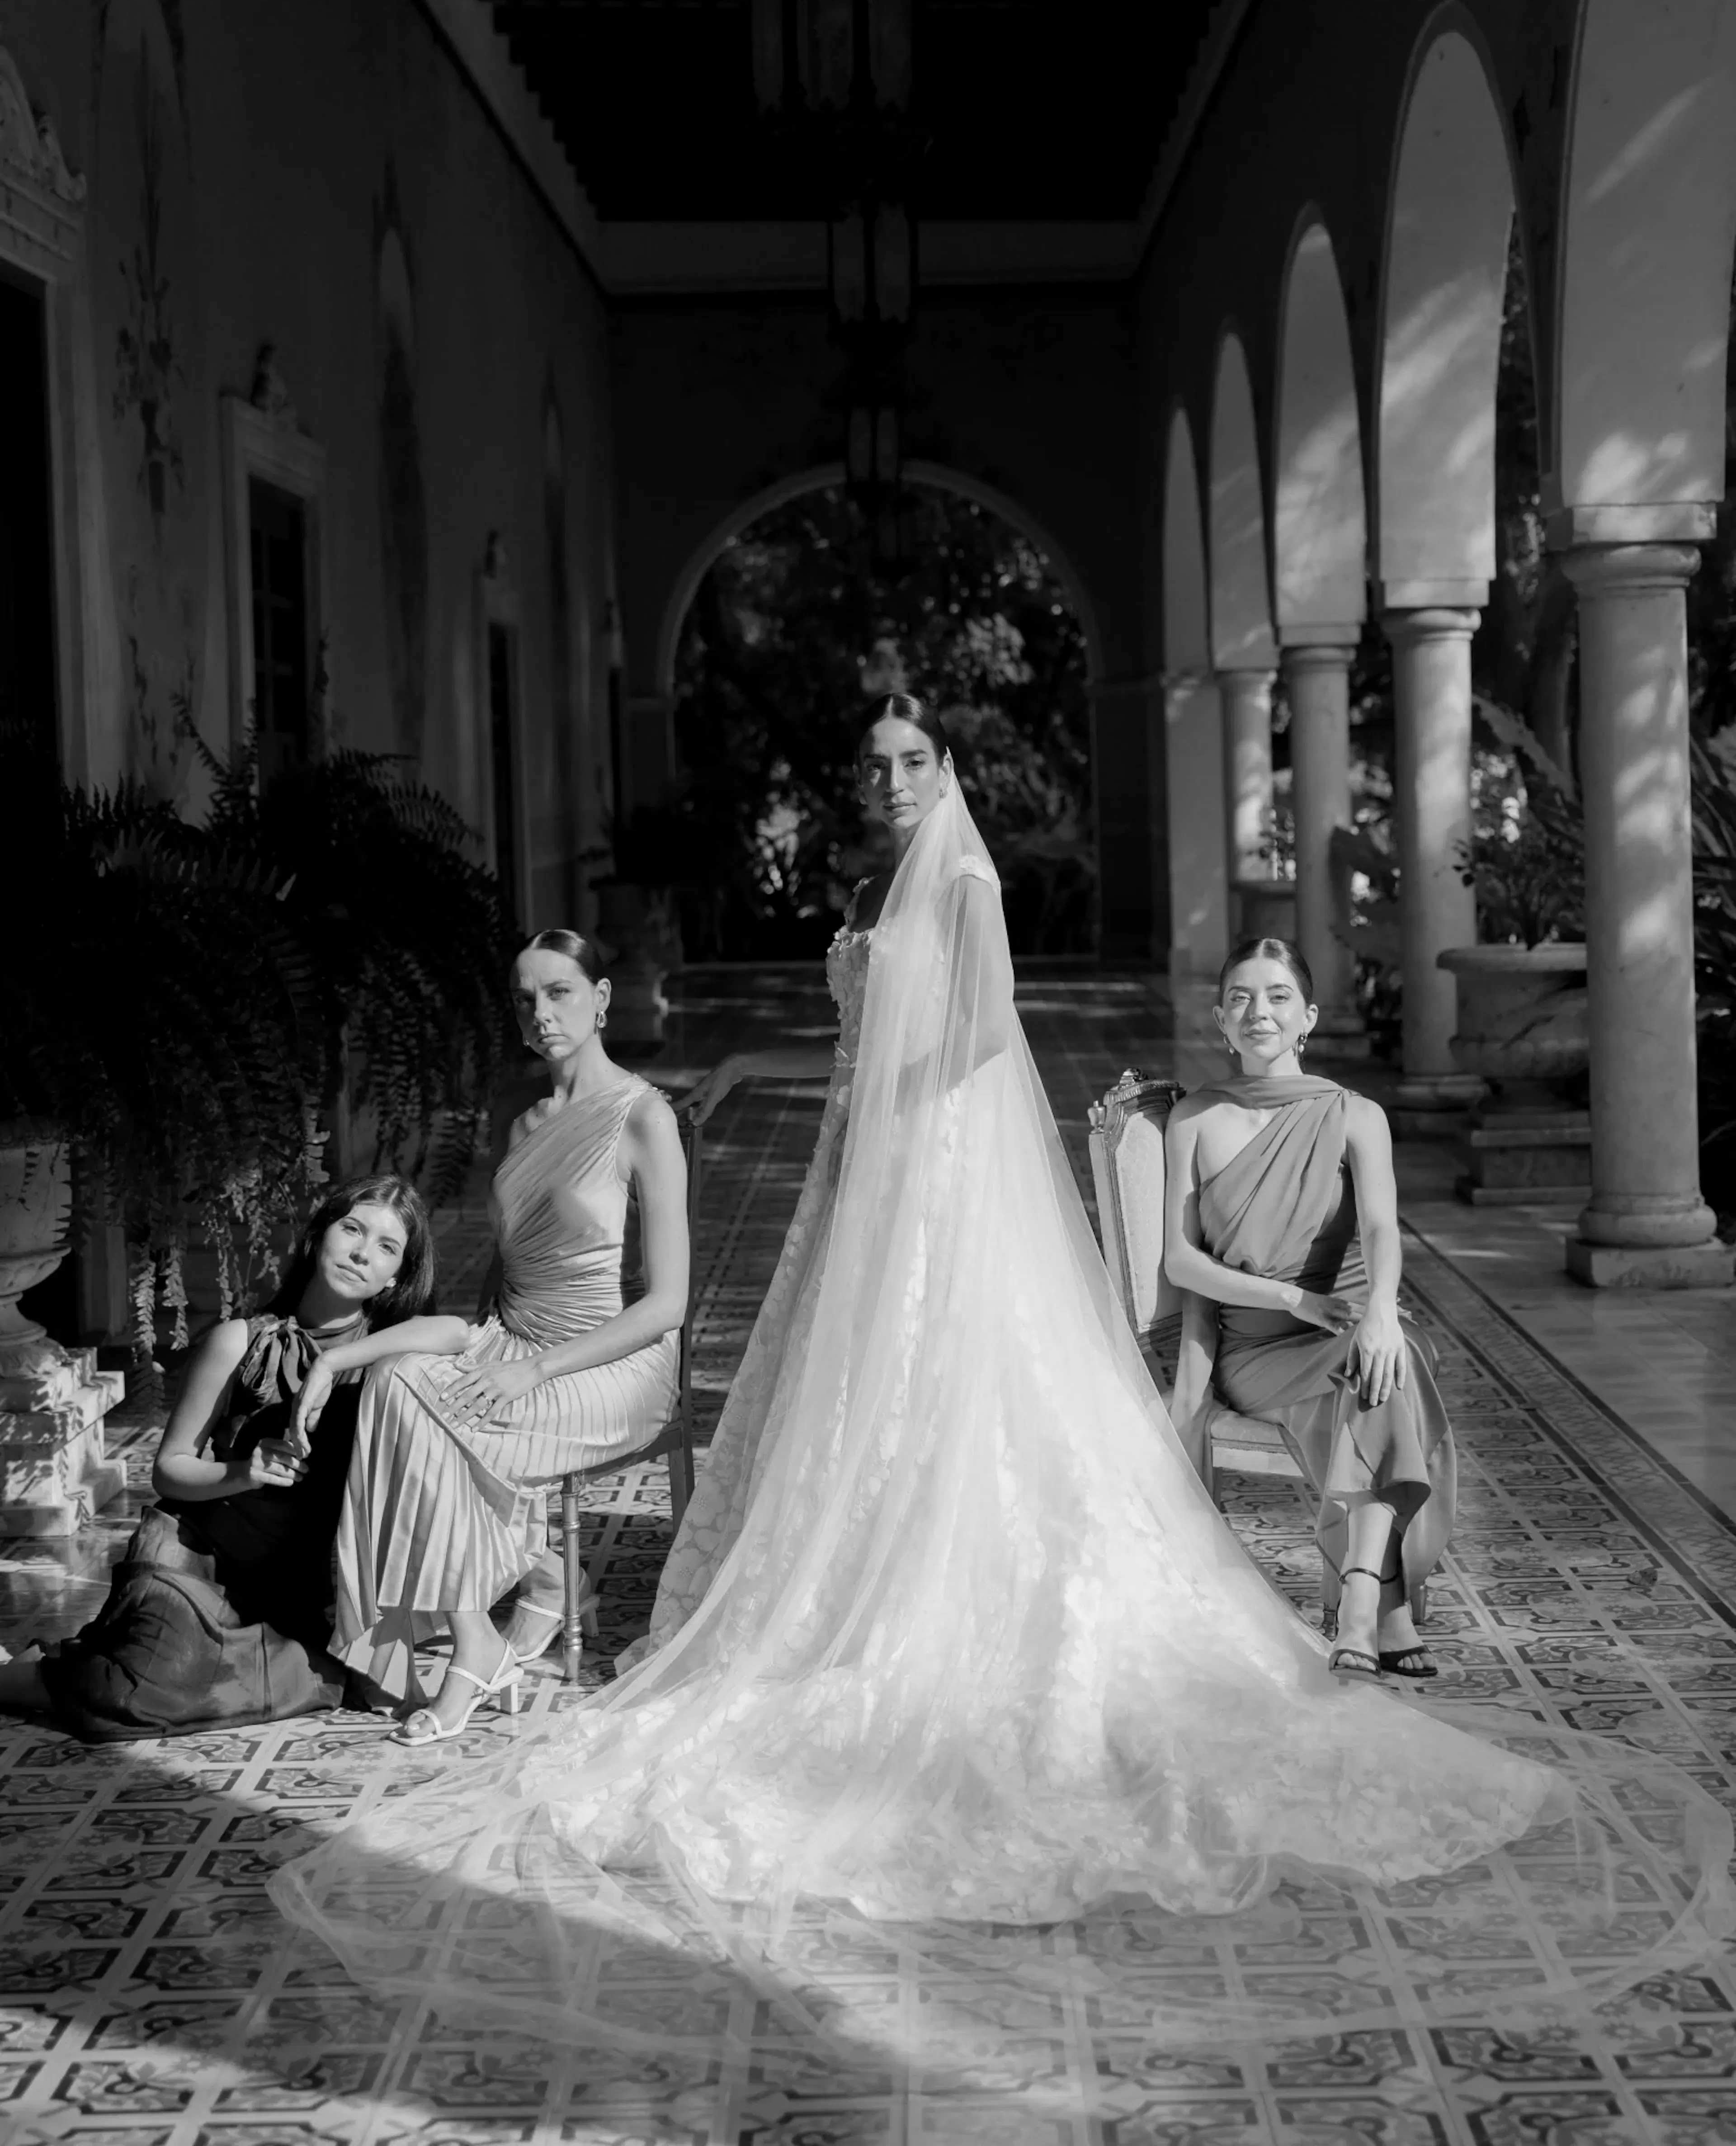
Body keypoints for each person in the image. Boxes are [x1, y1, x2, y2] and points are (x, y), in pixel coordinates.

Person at [274, 696, 1731, 2066]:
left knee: (958, 1384)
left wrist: (891, 1123)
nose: (890, 782)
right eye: (876, 765)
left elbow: (974, 1039)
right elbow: (864, 1037)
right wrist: (852, 1125)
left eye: (912, 762)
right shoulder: (861, 897)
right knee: (854, 1398)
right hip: (871, 1152)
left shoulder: (961, 889)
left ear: (946, 773)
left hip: (945, 1159)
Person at [296, 928, 689, 1741]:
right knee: (397, 1381)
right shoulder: (516, 1111)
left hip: (612, 1360)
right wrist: (341, 1355)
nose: (540, 1012)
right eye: (524, 998)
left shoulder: (645, 1116)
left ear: (602, 1000)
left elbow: (668, 1305)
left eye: (560, 993)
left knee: (428, 1408)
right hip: (513, 1340)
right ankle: (513, 1608)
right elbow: (496, 1290)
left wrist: (534, 1370)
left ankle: (494, 1630)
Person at [0, 1176, 441, 1740]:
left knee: (320, 1681)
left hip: (290, 1591)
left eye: (387, 1247)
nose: (361, 1253)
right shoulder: (240, 1340)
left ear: (397, 1276)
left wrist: (334, 1364)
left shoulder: (397, 1352)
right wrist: (244, 1471)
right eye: (351, 1229)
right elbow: (170, 1468)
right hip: (194, 1562)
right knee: (132, 1693)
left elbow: (461, 1334)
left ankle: (104, 1657)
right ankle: (24, 1678)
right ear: (318, 1236)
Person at [1163, 938, 1453, 1679]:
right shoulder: (1194, 1120)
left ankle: (1361, 1607)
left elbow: (1385, 1226)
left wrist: (1383, 1308)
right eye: (1240, 998)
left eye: (1278, 996)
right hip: (1257, 1350)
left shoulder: (1357, 1115)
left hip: (1349, 1327)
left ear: (1309, 1018)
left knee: (1390, 1350)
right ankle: (1380, 1608)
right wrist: (1292, 1297)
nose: (1258, 1011)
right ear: (1222, 1023)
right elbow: (1181, 1260)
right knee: (1387, 1361)